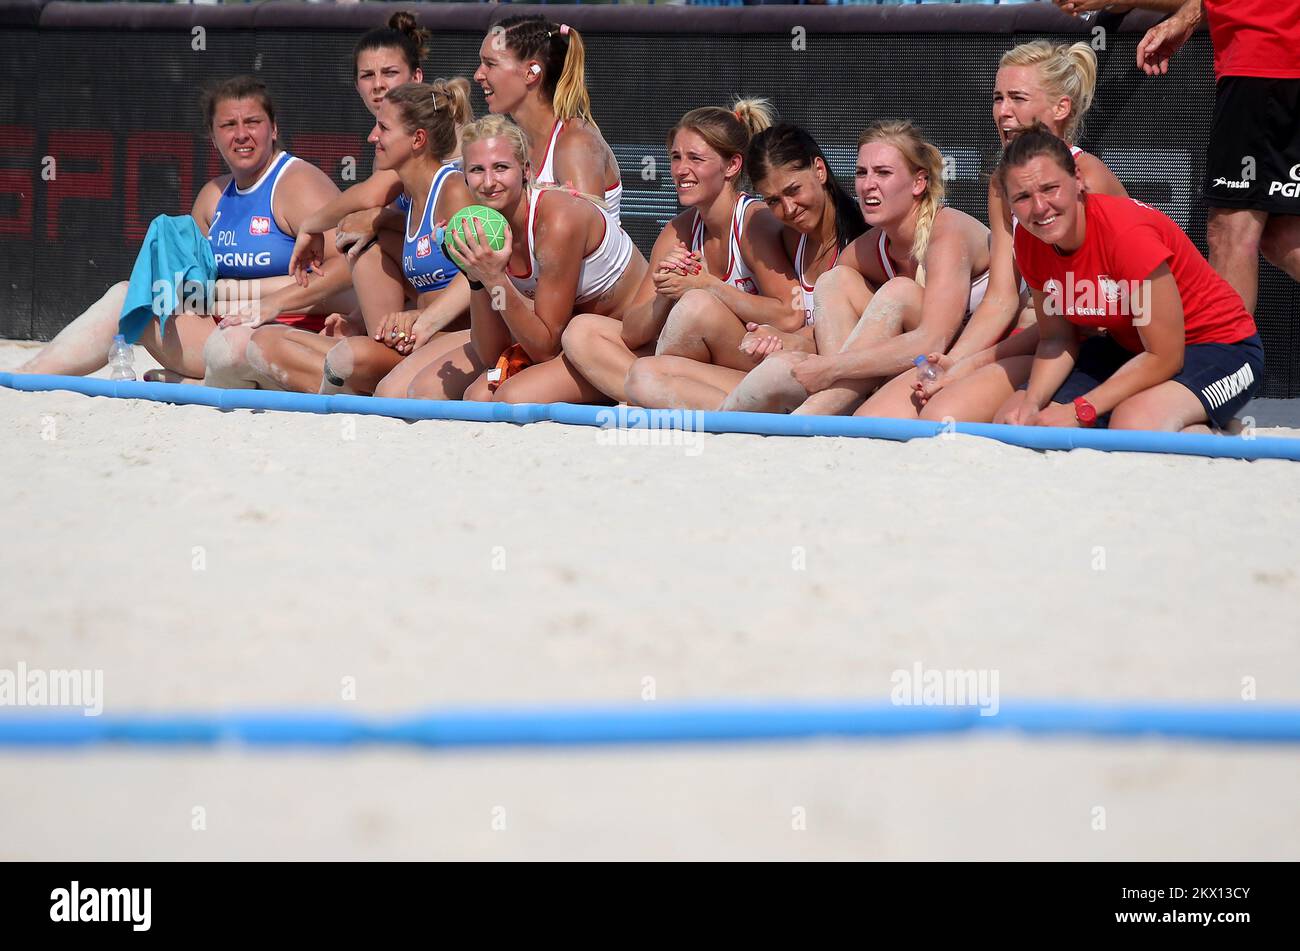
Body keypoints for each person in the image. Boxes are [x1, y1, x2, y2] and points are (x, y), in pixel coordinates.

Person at [16, 77, 354, 382]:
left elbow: (347, 271)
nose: (241, 134)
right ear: (212, 136)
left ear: (274, 129)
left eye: (253, 122)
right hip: (222, 332)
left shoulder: (297, 183)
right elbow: (191, 294)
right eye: (228, 125)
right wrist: (183, 284)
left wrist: (259, 298)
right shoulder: (212, 197)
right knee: (127, 294)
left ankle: (194, 382)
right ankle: (26, 378)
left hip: (285, 339)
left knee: (233, 347)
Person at [861, 40, 1129, 422]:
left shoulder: (1089, 179)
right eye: (998, 98)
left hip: (1080, 343)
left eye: (1017, 98)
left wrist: (968, 364)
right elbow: (1001, 298)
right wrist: (954, 361)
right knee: (873, 420)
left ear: (1061, 108)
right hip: (1030, 337)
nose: (1003, 112)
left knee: (942, 416)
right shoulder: (1000, 184)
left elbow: (1101, 311)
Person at [994, 124, 1262, 432]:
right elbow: (1057, 338)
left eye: (1049, 188)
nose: (1040, 207)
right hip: (1133, 348)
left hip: (1222, 347)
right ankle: (1187, 417)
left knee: (1134, 423)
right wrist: (1032, 401)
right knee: (1014, 417)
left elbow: (1165, 356)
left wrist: (1082, 409)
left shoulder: (1125, 234)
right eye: (1023, 197)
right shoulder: (1030, 241)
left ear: (1078, 180)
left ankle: (1208, 423)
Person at [715, 121, 991, 417]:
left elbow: (932, 339)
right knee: (833, 282)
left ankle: (817, 415)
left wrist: (831, 368)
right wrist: (777, 337)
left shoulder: (947, 232)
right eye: (862, 172)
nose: (868, 184)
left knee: (898, 293)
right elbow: (825, 329)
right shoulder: (865, 249)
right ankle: (830, 409)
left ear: (918, 182)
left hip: (976, 361)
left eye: (883, 173)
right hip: (913, 363)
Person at [1061, 0, 1300, 316]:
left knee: (1230, 232)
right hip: (1270, 58)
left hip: (1263, 60)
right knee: (1281, 235)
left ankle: (1227, 360)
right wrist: (1186, 17)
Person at [561, 99, 800, 405]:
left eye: (695, 159)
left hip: (757, 367)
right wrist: (665, 292)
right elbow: (632, 331)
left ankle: (657, 393)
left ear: (732, 166)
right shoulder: (678, 230)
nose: (681, 170)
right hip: (698, 368)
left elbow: (790, 315)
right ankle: (655, 393)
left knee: (697, 305)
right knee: (581, 331)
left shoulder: (755, 220)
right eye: (675, 157)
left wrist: (707, 285)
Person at [245, 80, 475, 395]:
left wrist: (422, 318)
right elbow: (358, 205)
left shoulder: (453, 190)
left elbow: (480, 276)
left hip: (459, 340)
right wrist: (310, 227)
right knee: (262, 343)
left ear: (417, 139)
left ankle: (357, 377)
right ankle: (361, 369)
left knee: (348, 360)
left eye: (383, 128)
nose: (372, 136)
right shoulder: (408, 197)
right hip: (411, 340)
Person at [623, 123, 866, 410]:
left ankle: (728, 414)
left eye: (794, 190)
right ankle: (737, 416)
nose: (788, 209)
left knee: (701, 311)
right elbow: (632, 331)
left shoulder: (862, 244)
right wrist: (670, 289)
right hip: (772, 366)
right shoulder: (788, 236)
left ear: (820, 170)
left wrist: (781, 337)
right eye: (774, 200)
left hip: (826, 376)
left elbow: (808, 323)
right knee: (643, 375)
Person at [406, 116, 647, 404]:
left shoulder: (556, 221)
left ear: (525, 170)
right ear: (465, 176)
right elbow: (491, 352)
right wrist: (475, 277)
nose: (488, 182)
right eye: (476, 170)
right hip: (569, 337)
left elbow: (544, 347)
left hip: (622, 343)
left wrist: (494, 278)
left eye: (501, 167)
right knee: (456, 395)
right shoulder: (488, 225)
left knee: (510, 397)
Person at [475, 14, 622, 219]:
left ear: (531, 73)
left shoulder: (575, 144)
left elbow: (584, 242)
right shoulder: (513, 142)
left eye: (490, 64)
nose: (478, 75)